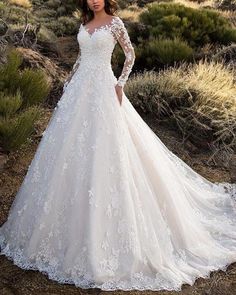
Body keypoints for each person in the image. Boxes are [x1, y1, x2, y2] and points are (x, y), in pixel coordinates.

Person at [0, 0, 236, 291]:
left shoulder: (115, 23)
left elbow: (130, 54)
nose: (94, 0)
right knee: (68, 151)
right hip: (80, 91)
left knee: (109, 150)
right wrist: (69, 79)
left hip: (104, 90)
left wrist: (120, 84)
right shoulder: (84, 25)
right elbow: (81, 58)